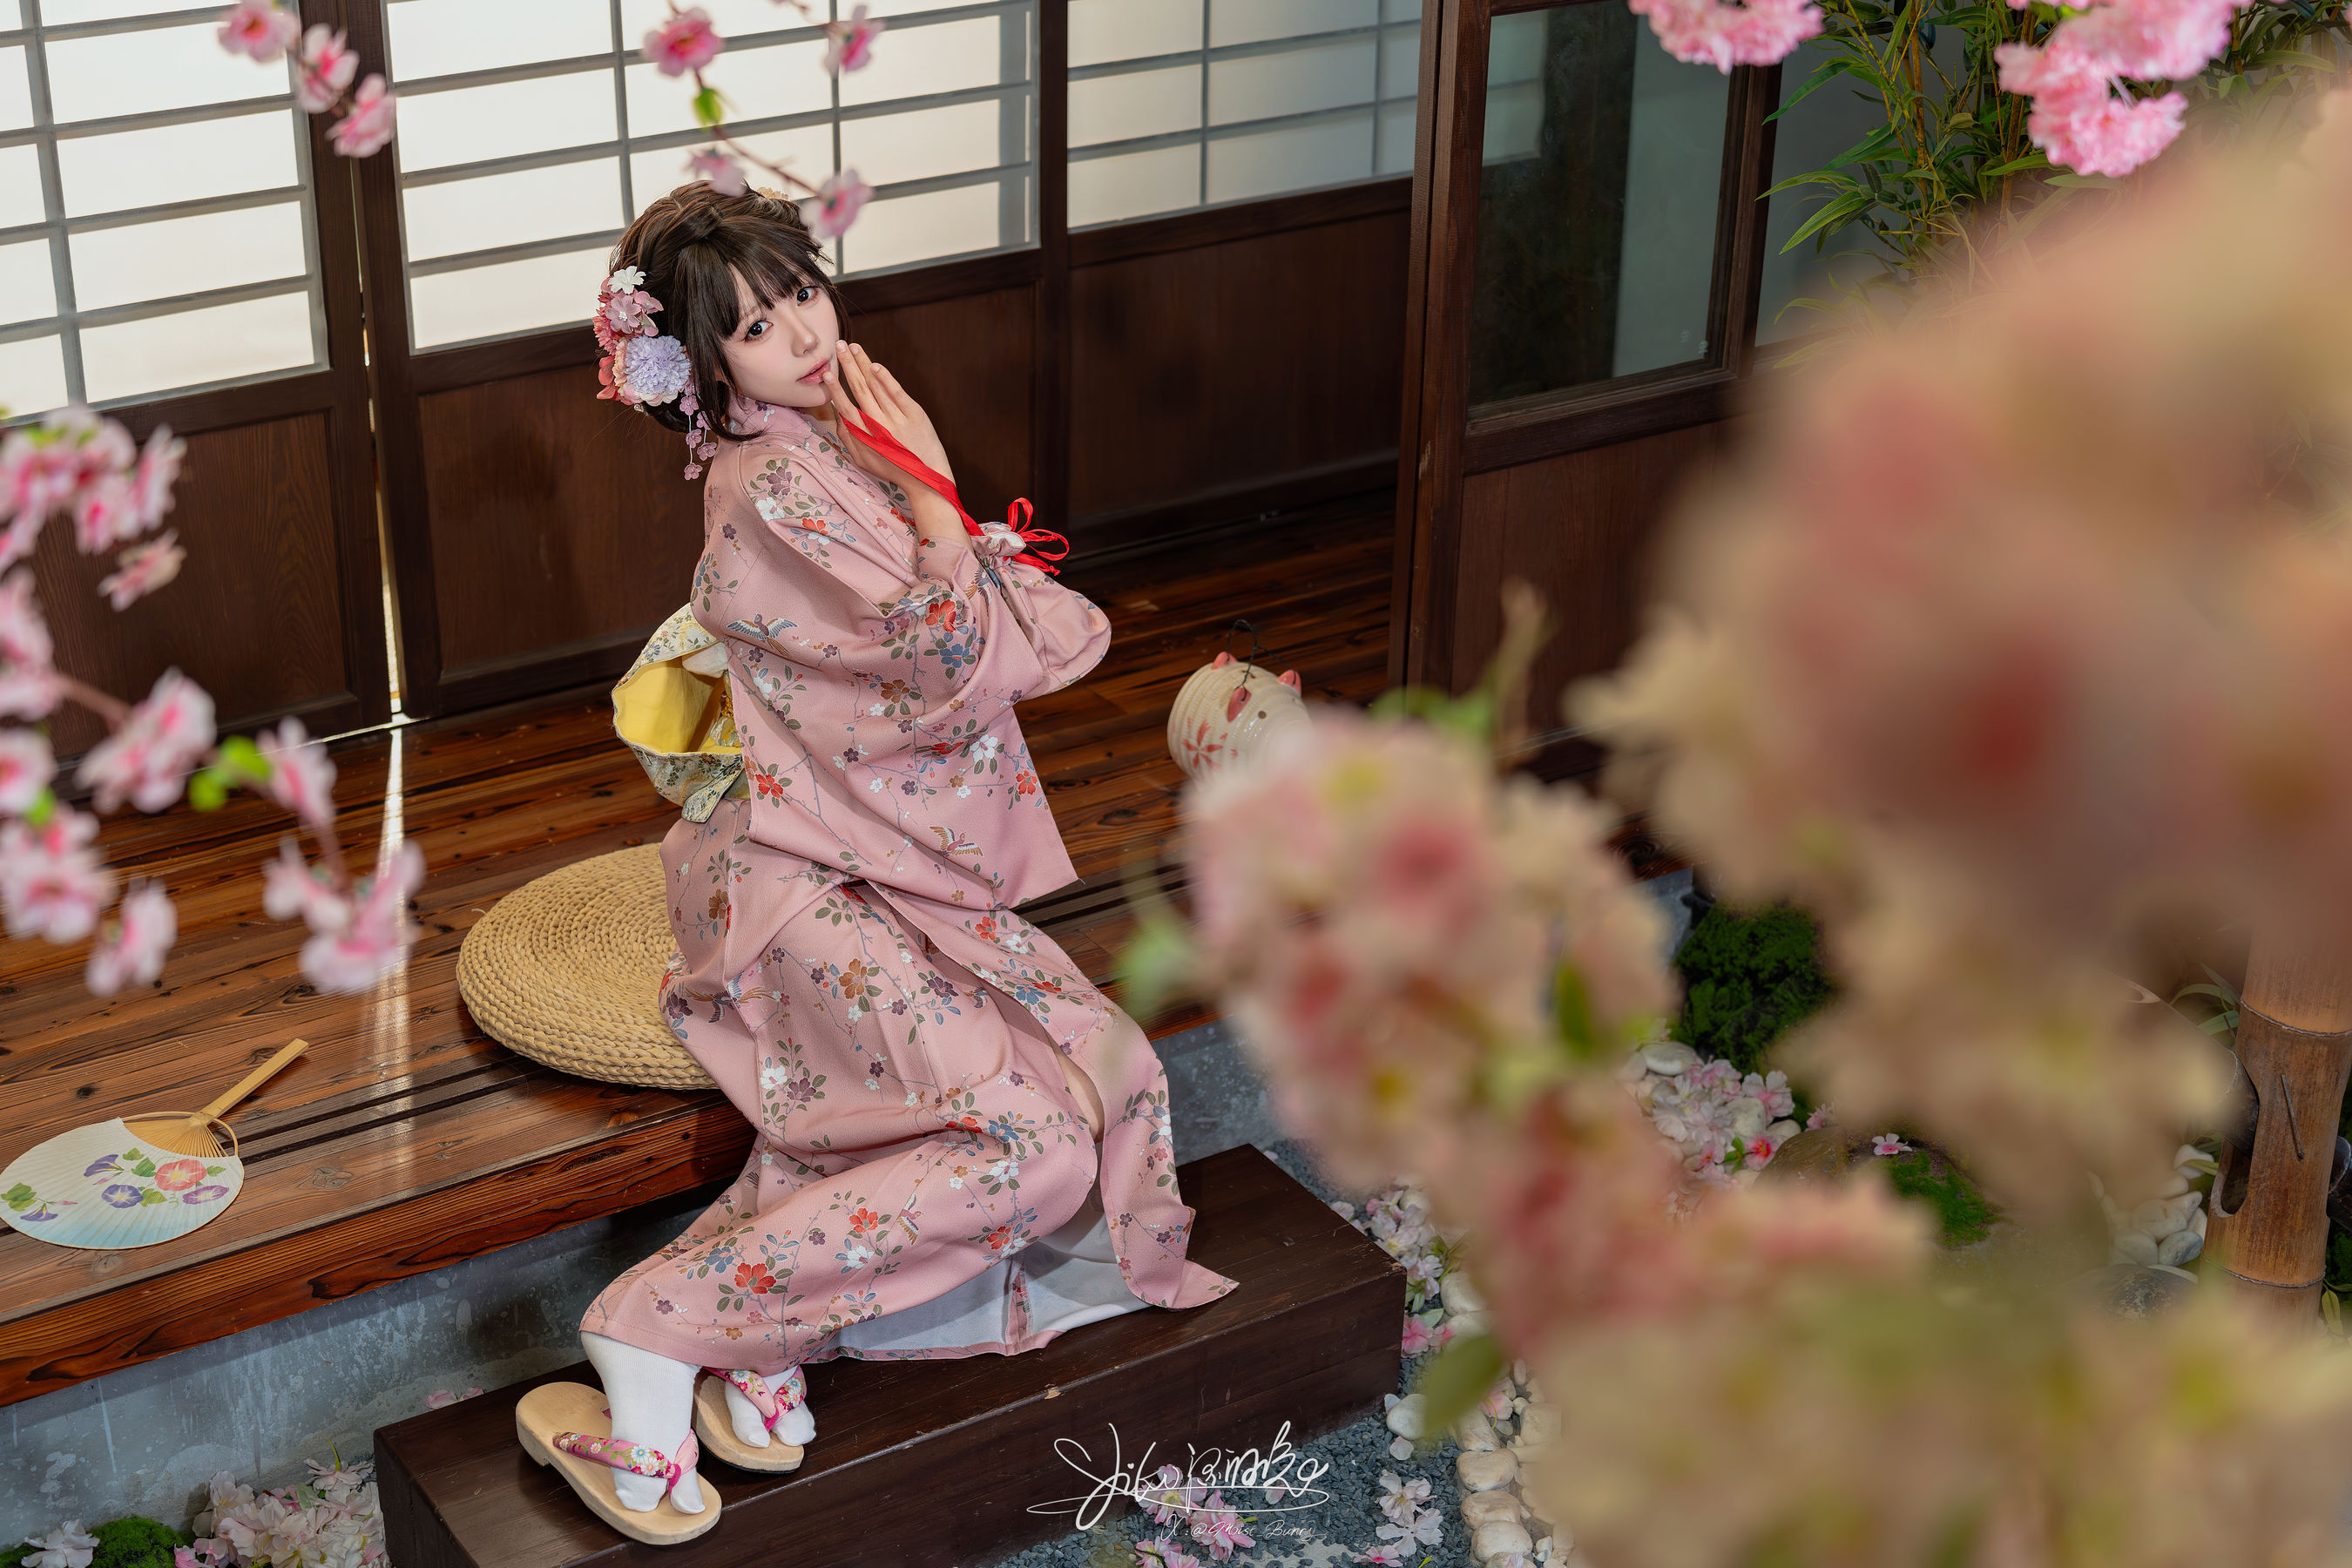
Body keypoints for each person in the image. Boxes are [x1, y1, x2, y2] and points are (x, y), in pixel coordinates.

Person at [565, 183, 1239, 1524]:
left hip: (862, 848)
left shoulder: (826, 440)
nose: (805, 333)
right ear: (702, 370)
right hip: (799, 868)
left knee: (1041, 1089)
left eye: (802, 293)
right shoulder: (769, 490)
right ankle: (658, 1323)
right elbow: (941, 659)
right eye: (757, 327)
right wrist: (935, 498)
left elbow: (971, 633)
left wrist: (924, 496)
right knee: (1032, 1145)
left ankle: (755, 1341)